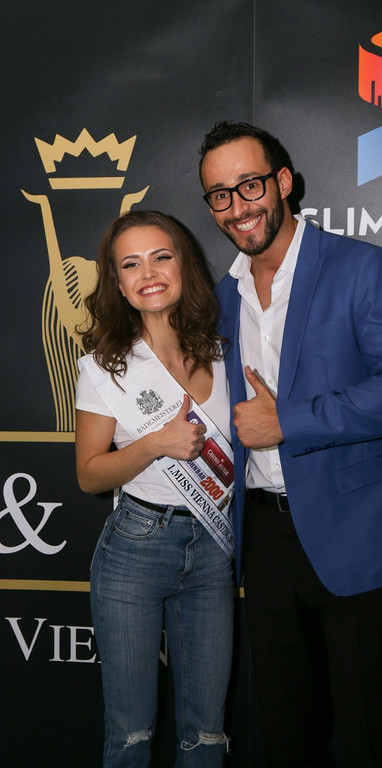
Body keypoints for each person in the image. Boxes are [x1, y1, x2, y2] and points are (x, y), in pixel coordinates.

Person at [198, 121, 382, 768]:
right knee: (286, 739)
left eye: (249, 185)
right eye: (219, 194)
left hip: (360, 534)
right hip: (265, 543)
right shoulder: (221, 299)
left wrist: (291, 421)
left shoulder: (364, 267)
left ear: (283, 182)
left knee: (374, 740)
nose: (237, 206)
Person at [75, 210, 233, 768]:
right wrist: (154, 444)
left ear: (183, 265)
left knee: (207, 735)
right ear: (118, 283)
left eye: (161, 257)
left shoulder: (223, 351)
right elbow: (90, 474)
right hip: (136, 548)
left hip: (213, 550)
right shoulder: (104, 367)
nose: (149, 273)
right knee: (131, 736)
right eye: (131, 264)